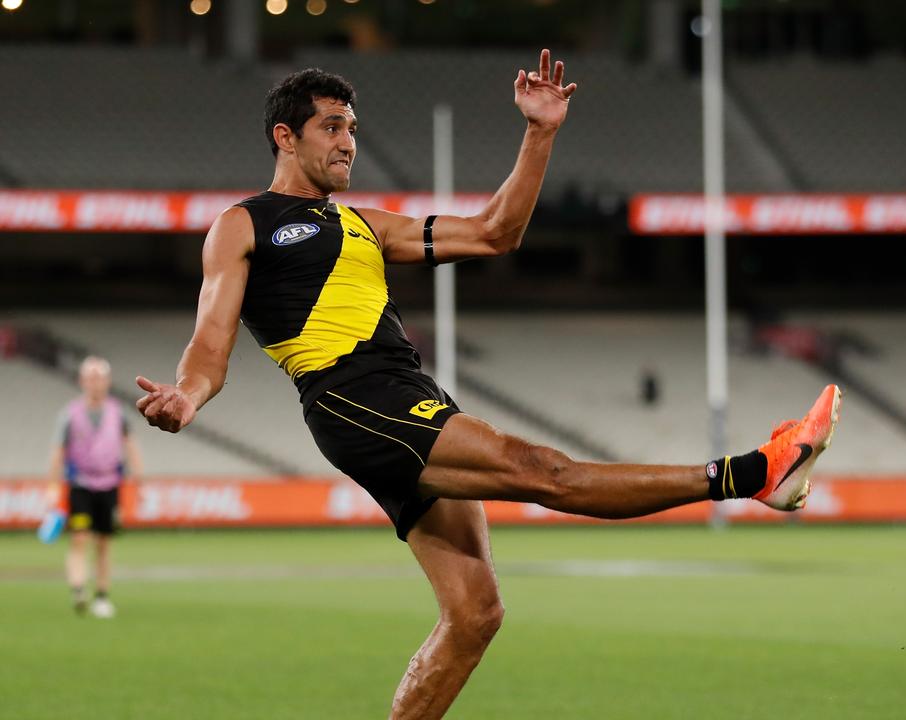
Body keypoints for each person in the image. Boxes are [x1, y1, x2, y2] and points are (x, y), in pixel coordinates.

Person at [134, 51, 841, 719]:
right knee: (545, 472)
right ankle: (754, 474)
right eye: (332, 127)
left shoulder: (366, 225)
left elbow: (497, 233)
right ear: (284, 136)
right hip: (356, 400)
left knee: (475, 614)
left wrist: (538, 134)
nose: (349, 141)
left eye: (352, 127)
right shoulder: (242, 223)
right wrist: (188, 395)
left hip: (406, 393)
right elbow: (210, 341)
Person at [47, 356, 143, 618]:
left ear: (107, 381)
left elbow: (130, 444)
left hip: (110, 484)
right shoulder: (69, 414)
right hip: (80, 484)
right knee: (79, 538)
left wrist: (138, 478)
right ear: (82, 381)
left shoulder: (117, 412)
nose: (95, 383)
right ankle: (78, 588)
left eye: (99, 378)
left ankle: (102, 595)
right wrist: (52, 486)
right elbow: (58, 451)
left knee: (104, 542)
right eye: (90, 378)